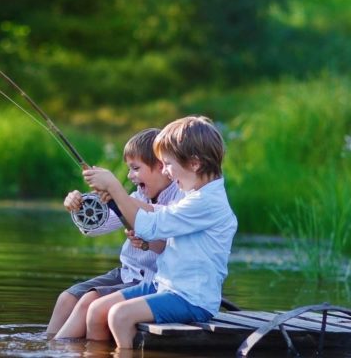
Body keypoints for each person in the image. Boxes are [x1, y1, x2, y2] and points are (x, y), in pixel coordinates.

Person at [82, 115, 238, 349]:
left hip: (190, 298)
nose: (165, 171)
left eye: (168, 164)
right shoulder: (194, 194)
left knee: (119, 316)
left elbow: (150, 225)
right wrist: (119, 199)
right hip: (164, 285)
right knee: (97, 310)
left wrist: (115, 187)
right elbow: (157, 219)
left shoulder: (207, 202)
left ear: (194, 163)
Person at [46, 128, 183, 338]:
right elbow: (97, 227)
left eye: (136, 168)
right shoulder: (138, 195)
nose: (130, 176)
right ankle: (47, 346)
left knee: (88, 303)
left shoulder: (180, 198)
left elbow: (162, 218)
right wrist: (80, 206)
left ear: (160, 166)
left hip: (153, 281)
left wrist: (117, 193)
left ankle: (57, 350)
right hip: (126, 273)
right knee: (67, 298)